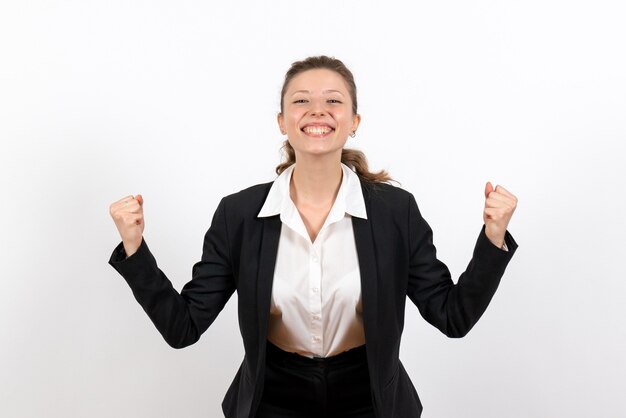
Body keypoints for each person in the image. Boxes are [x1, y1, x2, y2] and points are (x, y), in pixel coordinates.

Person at [108, 55, 518, 418]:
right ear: (282, 122)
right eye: (301, 100)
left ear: (354, 122)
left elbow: (452, 316)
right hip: (273, 399)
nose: (317, 111)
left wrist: (493, 236)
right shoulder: (238, 215)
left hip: (370, 398)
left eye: (333, 101)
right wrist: (134, 247)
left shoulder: (396, 212)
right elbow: (184, 326)